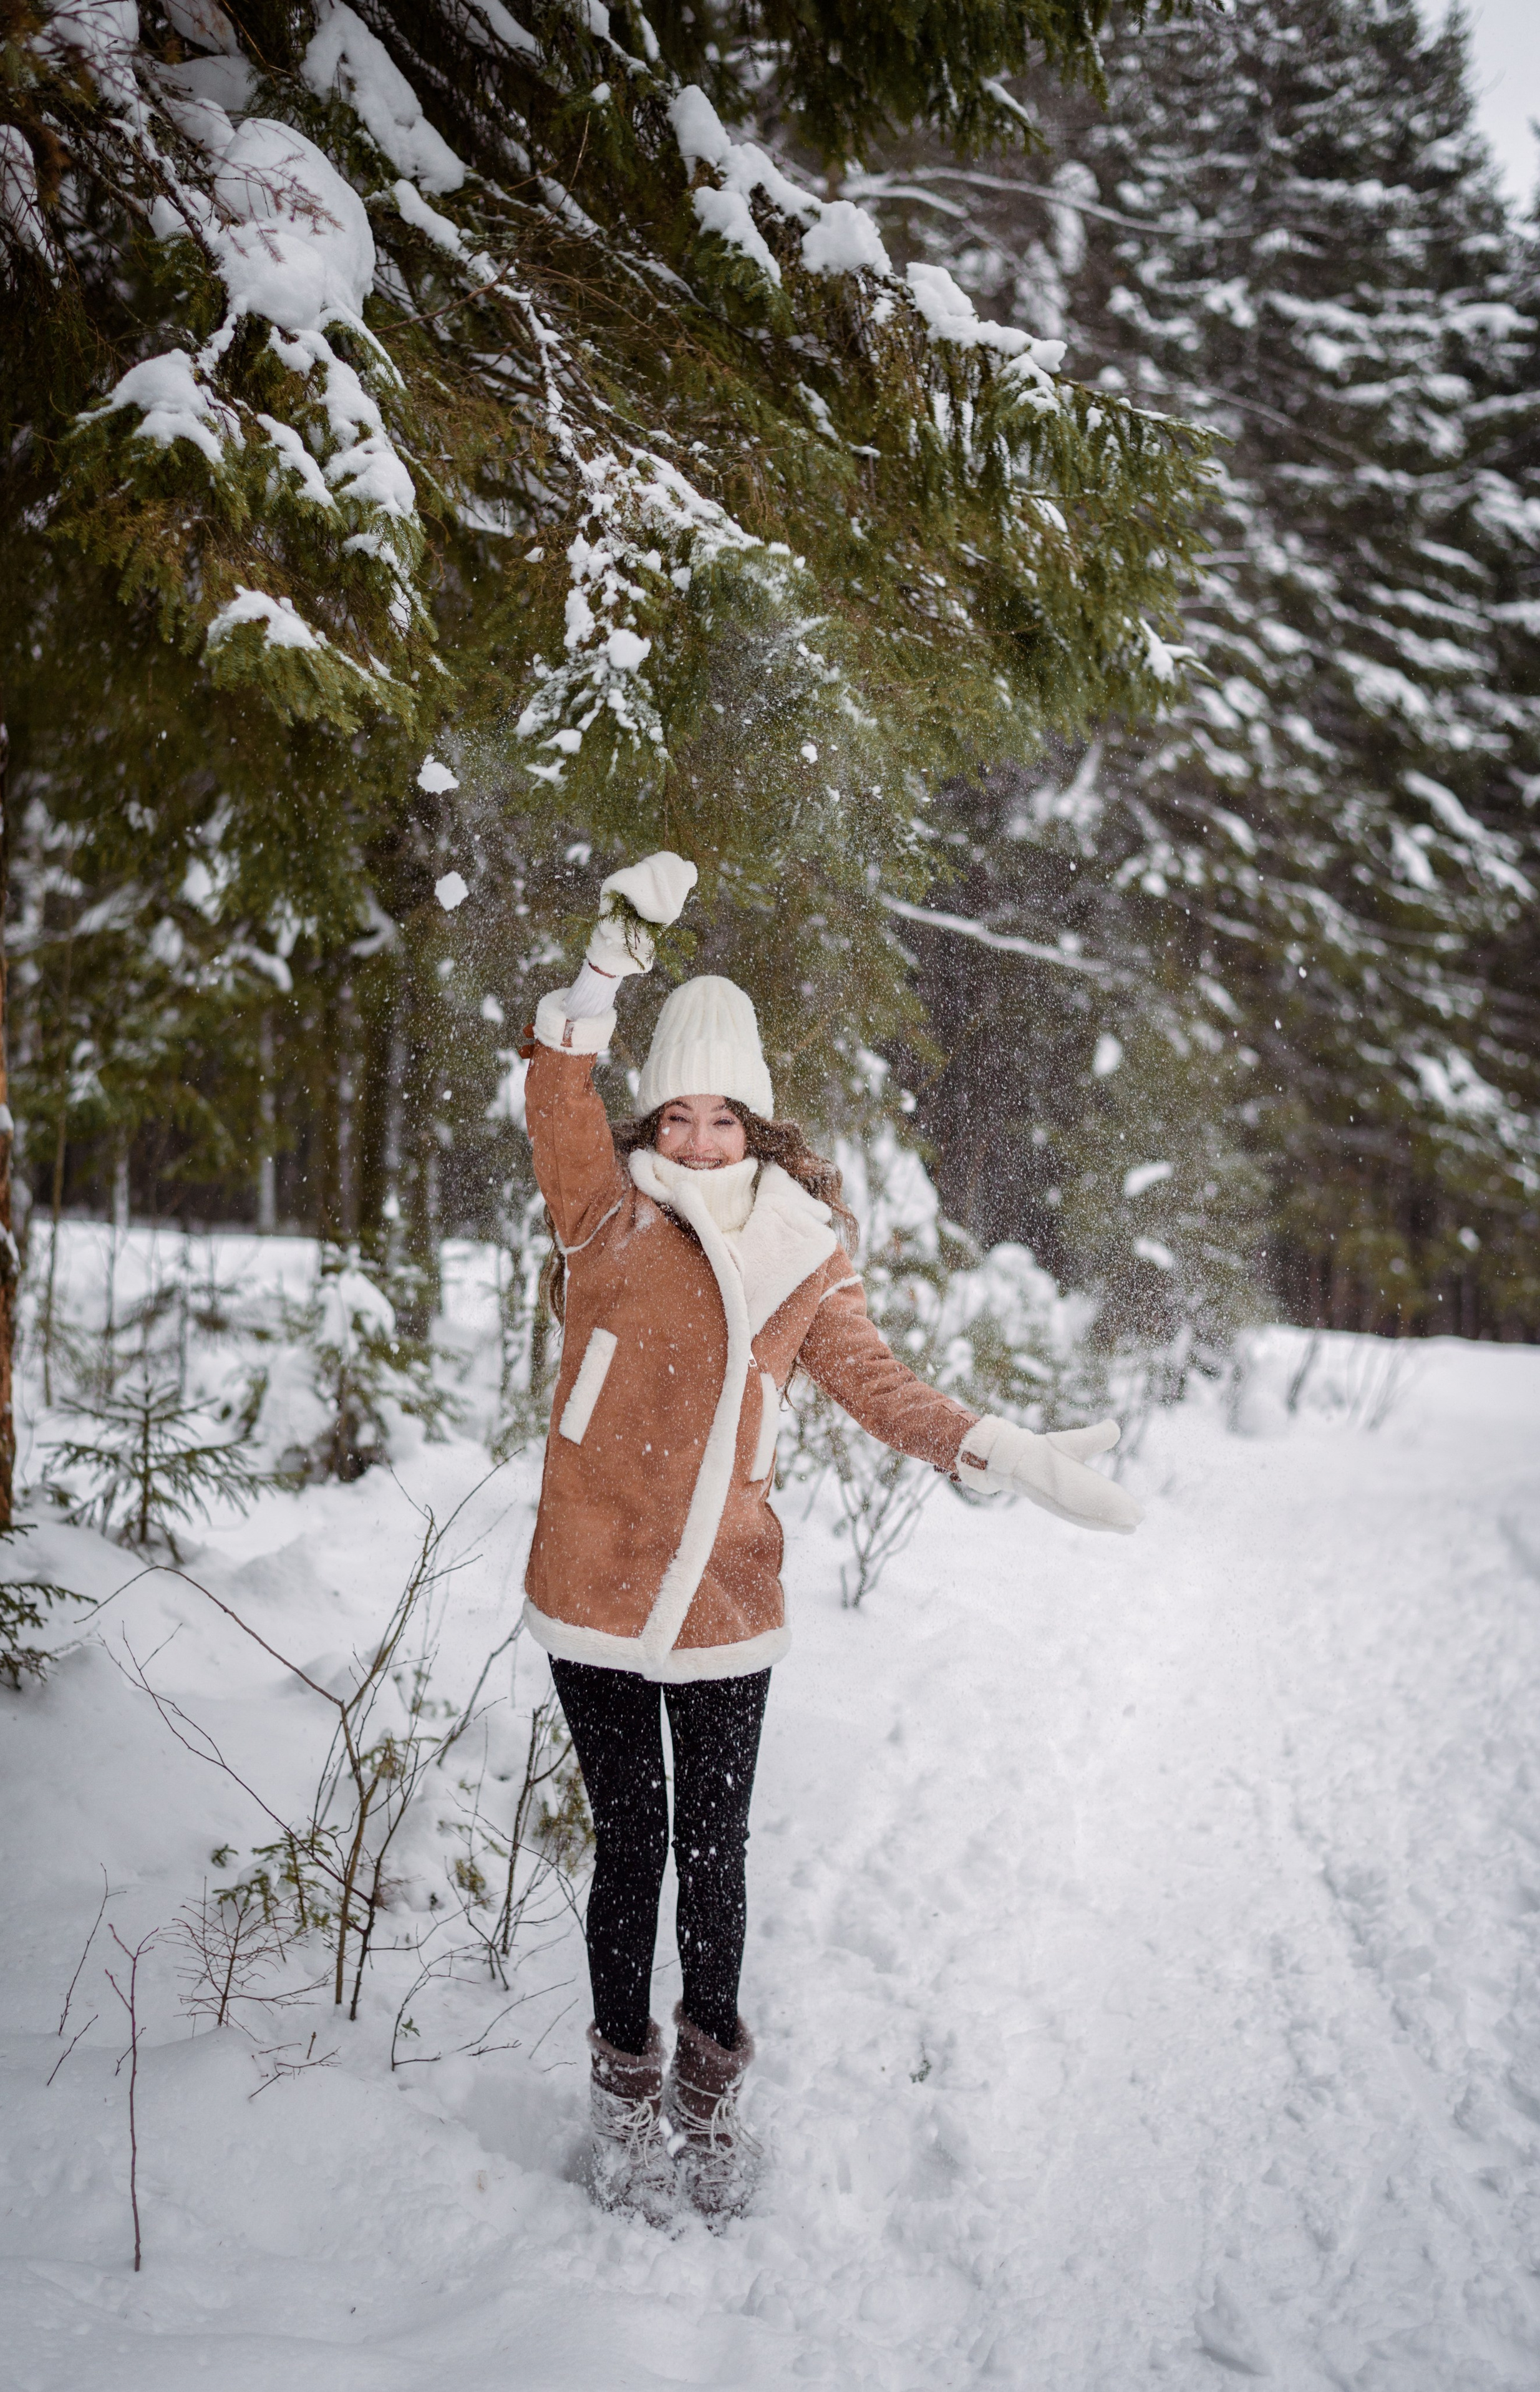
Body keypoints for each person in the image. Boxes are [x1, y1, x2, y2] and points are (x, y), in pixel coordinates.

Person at [520, 852, 1140, 2227]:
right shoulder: (600, 1206)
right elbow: (556, 1083)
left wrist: (999, 1449)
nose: (692, 1138)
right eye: (673, 1114)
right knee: (630, 1840)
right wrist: (604, 969)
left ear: (756, 1119)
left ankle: (705, 2097)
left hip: (727, 1596)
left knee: (716, 1849)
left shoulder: (805, 1247)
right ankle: (620, 2092)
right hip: (597, 1581)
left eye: (718, 1116)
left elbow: (874, 1383)